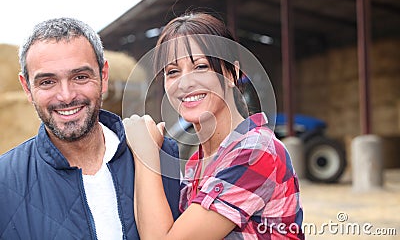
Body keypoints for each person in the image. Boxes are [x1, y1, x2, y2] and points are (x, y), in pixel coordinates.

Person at [123, 12, 305, 239]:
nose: (185, 82)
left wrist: (145, 155)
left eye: (200, 67)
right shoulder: (195, 164)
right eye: (172, 72)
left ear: (232, 72)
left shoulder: (256, 151)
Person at [0, 17, 181, 240]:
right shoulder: (5, 182)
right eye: (47, 82)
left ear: (103, 76)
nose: (66, 96)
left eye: (80, 77)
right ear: (27, 88)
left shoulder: (165, 156)